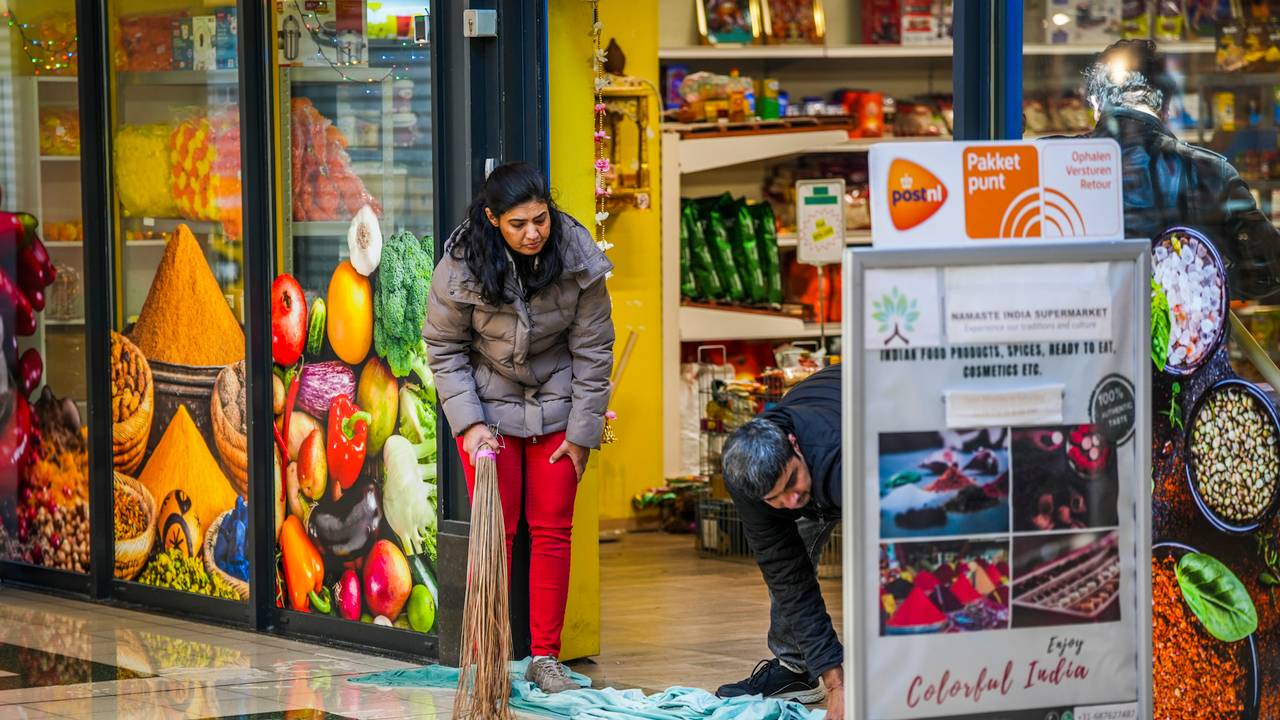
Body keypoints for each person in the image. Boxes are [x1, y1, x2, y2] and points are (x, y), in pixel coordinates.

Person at [424, 162, 614, 693]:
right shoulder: (460, 265)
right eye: (518, 224)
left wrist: (581, 435)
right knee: (496, 535)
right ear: (492, 220)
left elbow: (595, 349)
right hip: (488, 412)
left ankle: (546, 659)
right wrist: (469, 427)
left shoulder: (576, 255)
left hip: (559, 407)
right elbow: (443, 348)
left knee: (553, 532)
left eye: (541, 219)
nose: (534, 233)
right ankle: (489, 657)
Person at [1081, 39, 1280, 300]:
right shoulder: (1211, 171)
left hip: (1083, 332)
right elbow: (1269, 270)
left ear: (1096, 103)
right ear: (1166, 106)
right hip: (1184, 338)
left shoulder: (1052, 164)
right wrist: (1195, 281)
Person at [714, 363, 844, 719]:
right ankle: (796, 669)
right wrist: (835, 681)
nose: (790, 500)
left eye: (791, 482)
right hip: (821, 453)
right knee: (795, 544)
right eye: (775, 497)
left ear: (793, 445)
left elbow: (892, 561)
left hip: (878, 419)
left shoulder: (840, 455)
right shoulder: (746, 480)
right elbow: (788, 576)